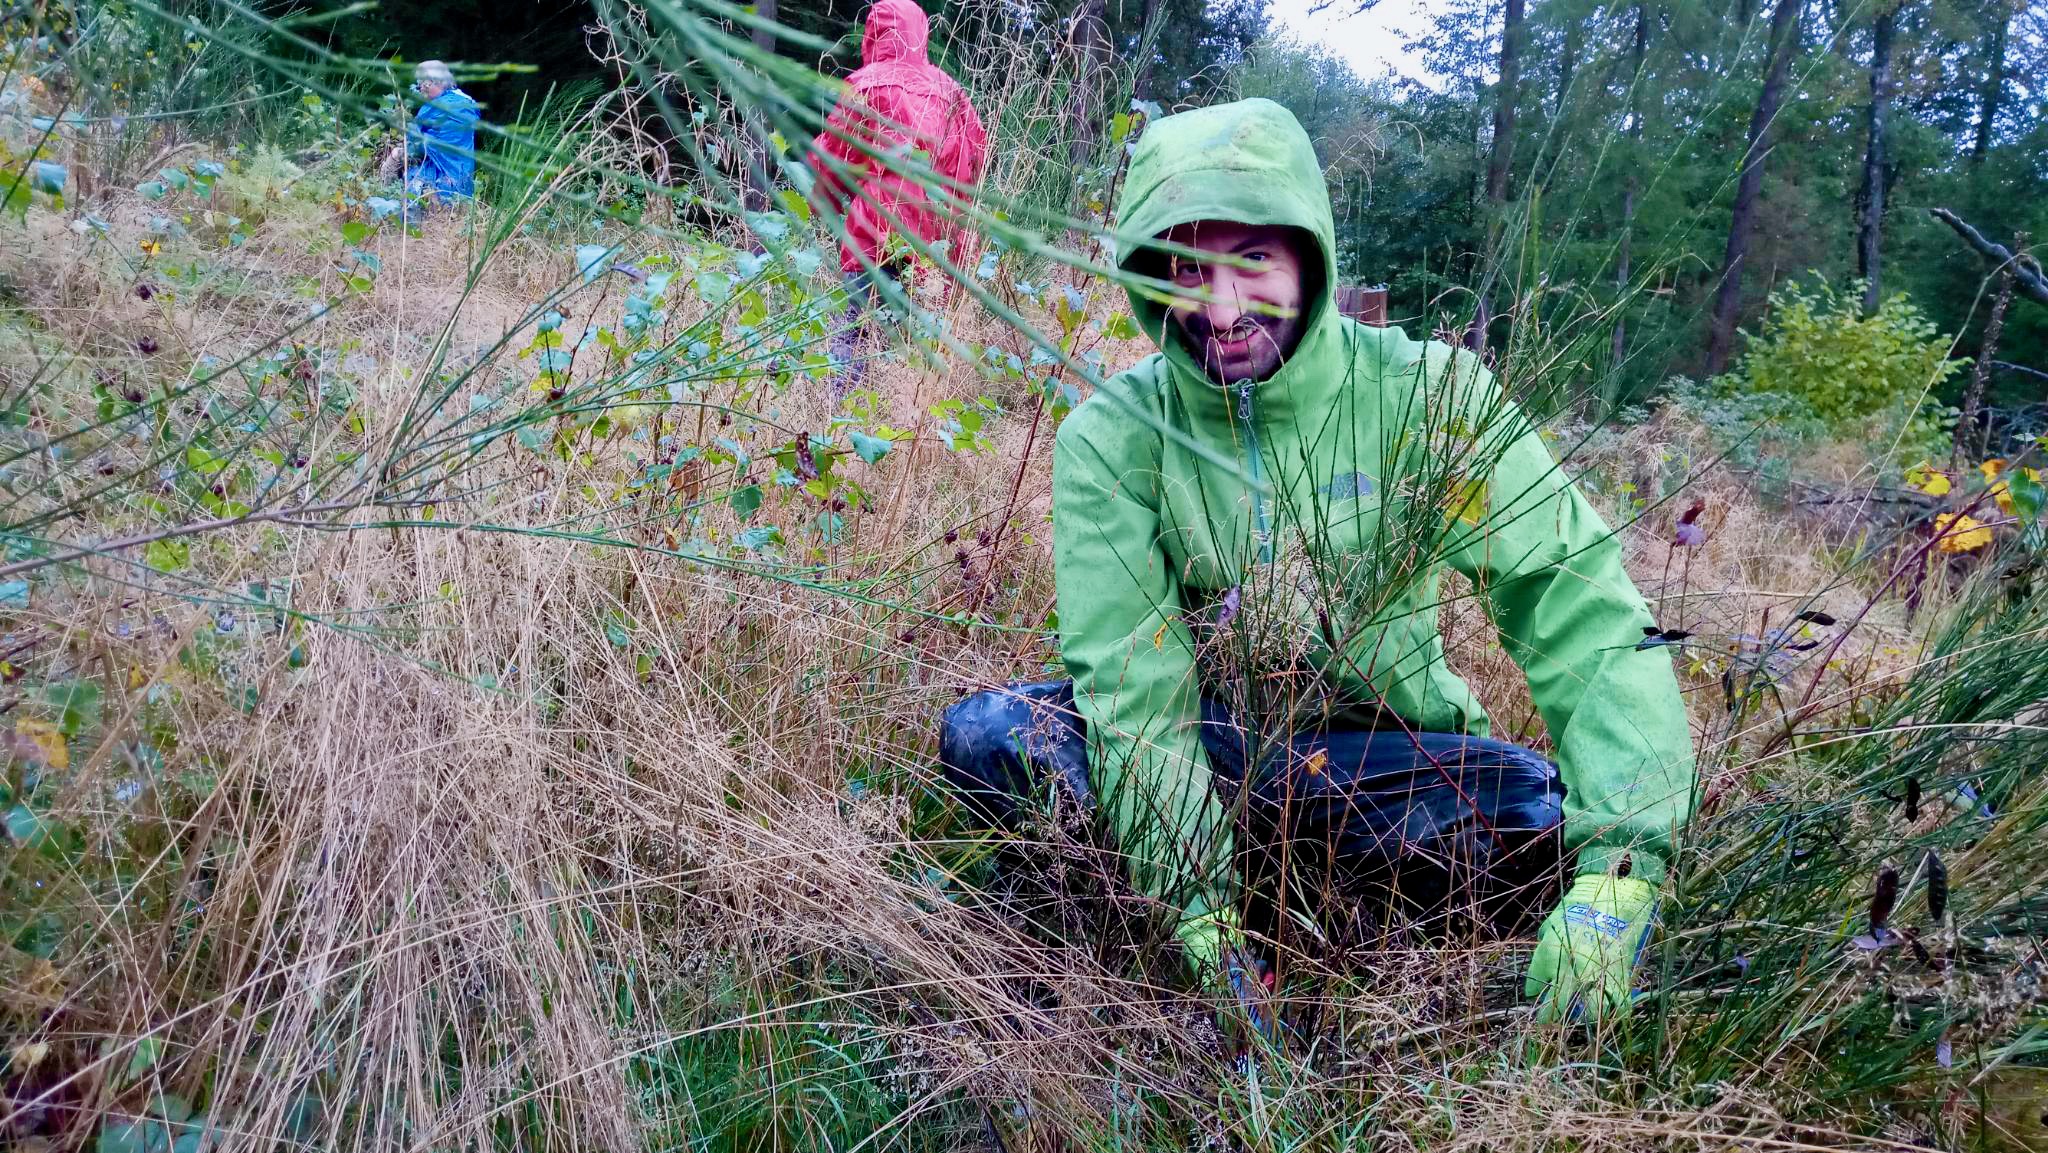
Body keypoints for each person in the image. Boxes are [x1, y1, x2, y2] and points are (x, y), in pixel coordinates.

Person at [939, 99, 1697, 1025]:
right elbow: (1138, 699)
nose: (1219, 309)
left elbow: (1579, 613)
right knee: (993, 738)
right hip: (1213, 753)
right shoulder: (1113, 438)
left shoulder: (1431, 398)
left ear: (1310, 252)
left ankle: (1362, 906)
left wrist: (1620, 871)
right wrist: (1198, 915)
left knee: (1536, 823)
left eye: (1251, 259)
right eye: (1186, 268)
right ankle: (1208, 912)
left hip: (1387, 767)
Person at [804, 0, 988, 392]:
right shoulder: (951, 92)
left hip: (872, 240)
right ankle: (910, 438)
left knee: (852, 351)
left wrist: (820, 203)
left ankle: (841, 434)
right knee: (916, 364)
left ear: (874, 34)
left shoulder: (865, 83)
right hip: (931, 246)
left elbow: (833, 158)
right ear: (922, 32)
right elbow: (973, 160)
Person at [403, 60, 478, 204]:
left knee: (407, 180)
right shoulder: (467, 103)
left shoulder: (434, 107)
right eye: (420, 83)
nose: (421, 88)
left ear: (440, 82)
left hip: (440, 182)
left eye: (426, 83)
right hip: (463, 180)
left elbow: (412, 143)